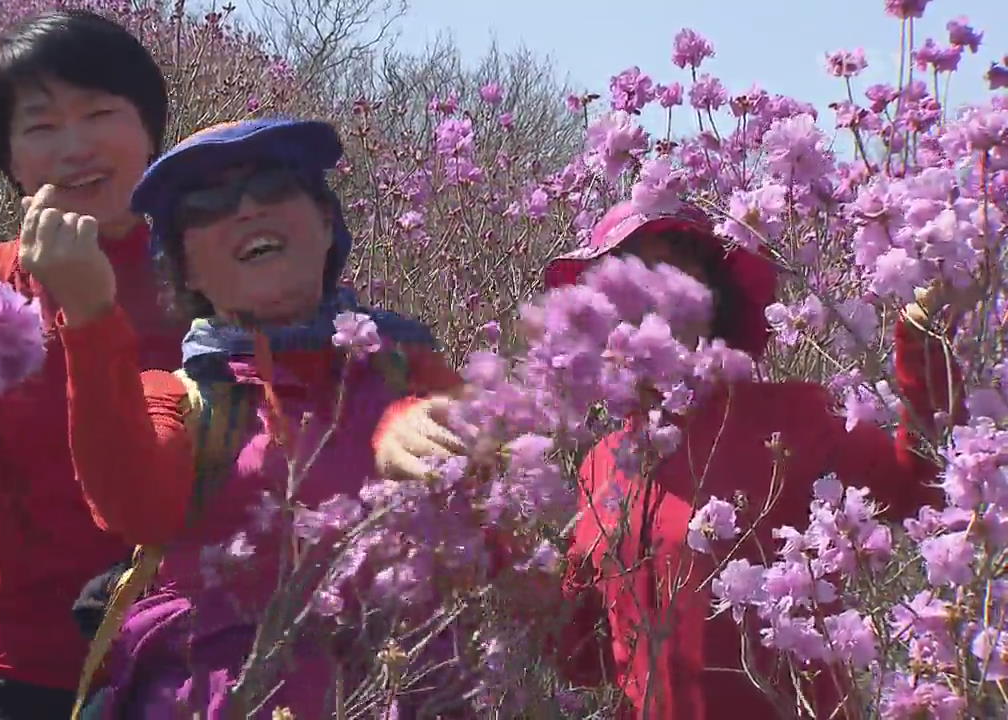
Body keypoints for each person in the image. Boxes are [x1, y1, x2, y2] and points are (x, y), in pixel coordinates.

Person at [377, 199, 968, 718]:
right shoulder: (602, 464)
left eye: (672, 274)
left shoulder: (795, 420)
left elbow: (922, 491)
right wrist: (489, 538)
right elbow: (588, 657)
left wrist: (923, 353)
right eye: (625, 280)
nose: (646, 301)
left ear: (710, 302)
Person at [18, 117, 465, 718]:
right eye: (208, 204)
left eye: (276, 184)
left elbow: (501, 509)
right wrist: (91, 314)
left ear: (327, 223)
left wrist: (415, 423)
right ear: (188, 269)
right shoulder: (179, 395)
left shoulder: (409, 369)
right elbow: (136, 506)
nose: (249, 208)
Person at [0, 10, 187, 719]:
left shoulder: (212, 272)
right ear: (11, 162)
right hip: (19, 668)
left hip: (191, 663)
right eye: (41, 127)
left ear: (149, 130)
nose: (74, 147)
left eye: (100, 113)